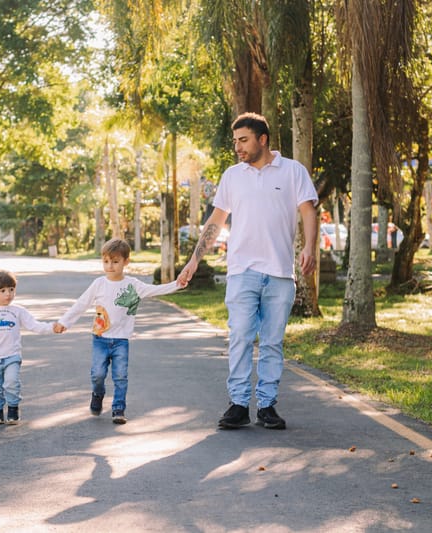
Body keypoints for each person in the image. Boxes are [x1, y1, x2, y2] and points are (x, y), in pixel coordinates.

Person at [177, 112, 318, 431]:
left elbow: (308, 210)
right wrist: (195, 260)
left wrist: (309, 247)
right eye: (235, 141)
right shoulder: (232, 176)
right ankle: (239, 404)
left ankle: (267, 405)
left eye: (243, 140)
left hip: (281, 273)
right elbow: (216, 221)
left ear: (262, 139)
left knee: (271, 342)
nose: (238, 147)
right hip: (242, 271)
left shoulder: (293, 171)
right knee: (240, 336)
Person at [57, 238, 185, 424]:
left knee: (120, 376)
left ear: (126, 262)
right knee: (98, 374)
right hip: (100, 338)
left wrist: (178, 284)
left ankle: (118, 409)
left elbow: (155, 290)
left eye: (115, 261)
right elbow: (81, 304)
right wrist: (64, 322)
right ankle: (97, 394)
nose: (110, 266)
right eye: (106, 261)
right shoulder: (99, 284)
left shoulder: (133, 285)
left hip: (121, 341)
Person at [0, 269, 62, 425]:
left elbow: (34, 325)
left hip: (12, 356)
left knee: (11, 383)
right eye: (2, 290)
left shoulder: (18, 311)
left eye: (11, 290)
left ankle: (13, 408)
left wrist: (51, 327)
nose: (8, 294)